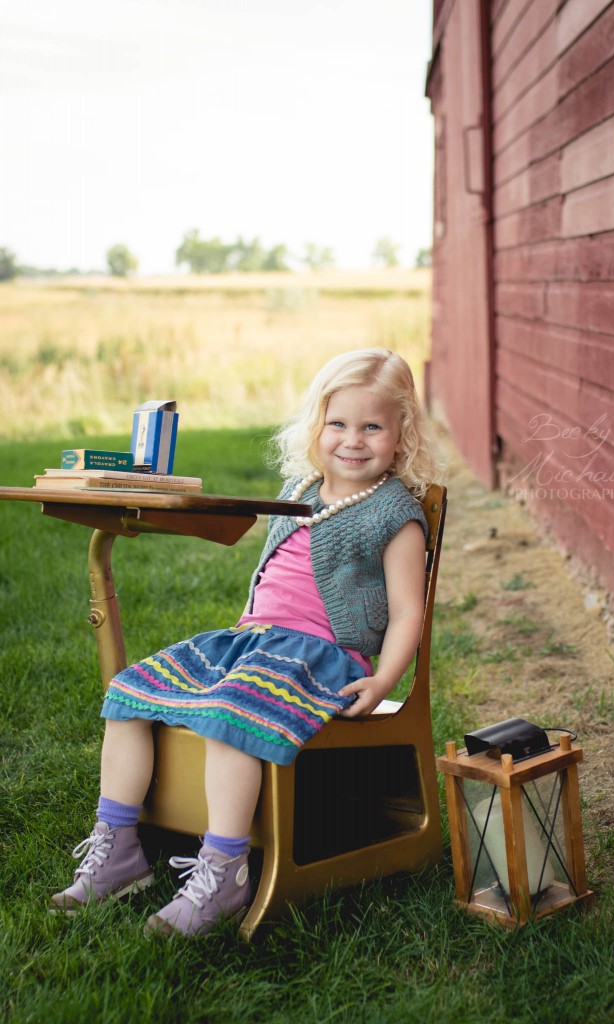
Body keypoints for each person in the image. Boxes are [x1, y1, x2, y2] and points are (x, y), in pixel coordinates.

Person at [51, 348, 442, 937]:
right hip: (253, 642)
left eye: (372, 427)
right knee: (128, 692)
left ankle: (224, 869)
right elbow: (270, 577)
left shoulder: (394, 514)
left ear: (401, 434)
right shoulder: (300, 487)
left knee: (234, 713)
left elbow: (409, 611)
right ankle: (119, 850)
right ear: (318, 425)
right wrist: (240, 633)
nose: (352, 440)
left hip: (324, 658)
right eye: (338, 423)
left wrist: (384, 680)